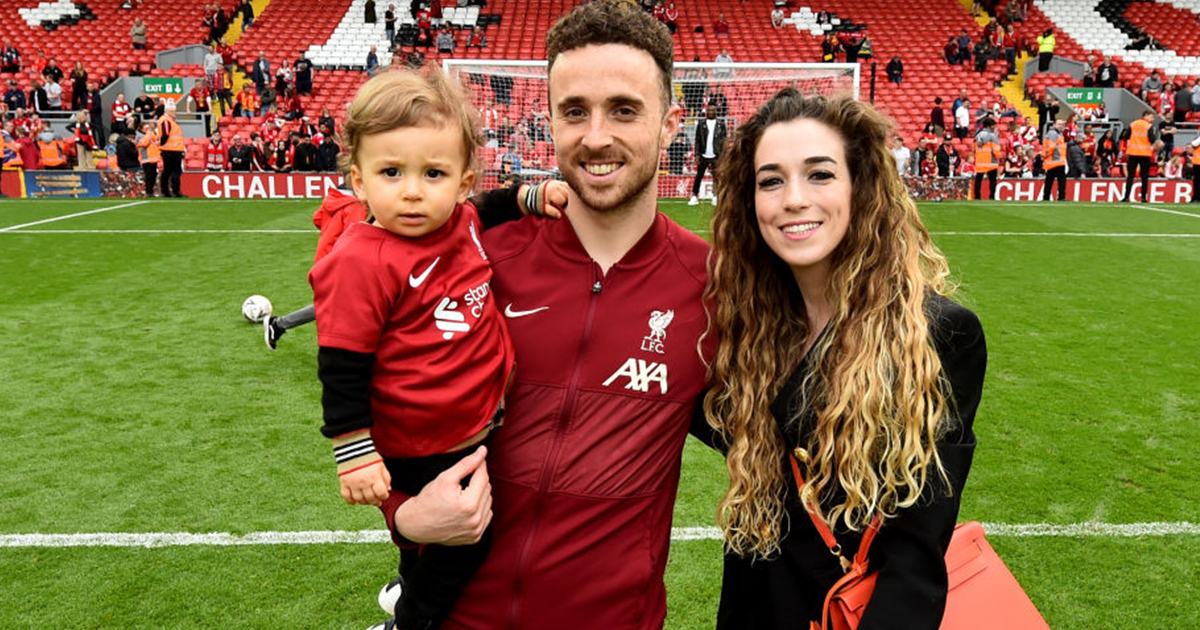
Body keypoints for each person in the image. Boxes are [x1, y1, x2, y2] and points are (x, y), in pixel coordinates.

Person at [375, 3, 711, 630]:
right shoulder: (473, 258)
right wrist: (404, 514)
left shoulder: (716, 287)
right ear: (550, 119)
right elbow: (393, 406)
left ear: (671, 124)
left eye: (624, 110)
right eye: (575, 111)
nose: (596, 137)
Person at [696, 87, 986, 630]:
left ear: (861, 186)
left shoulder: (939, 335)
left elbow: (915, 557)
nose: (793, 199)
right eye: (770, 181)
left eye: (820, 174)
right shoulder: (741, 330)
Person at [689, 104, 727, 206]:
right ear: (706, 111)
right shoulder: (701, 124)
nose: (710, 112)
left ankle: (715, 196)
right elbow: (697, 140)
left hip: (716, 155)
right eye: (709, 110)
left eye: (712, 110)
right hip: (703, 154)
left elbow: (724, 141)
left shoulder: (721, 124)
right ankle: (694, 196)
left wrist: (723, 155)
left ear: (716, 112)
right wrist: (697, 154)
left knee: (716, 177)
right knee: (699, 176)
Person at [1121, 110, 1159, 203]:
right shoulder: (1148, 126)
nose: (1152, 119)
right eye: (1151, 117)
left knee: (1130, 176)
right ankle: (1143, 197)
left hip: (1133, 153)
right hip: (1144, 154)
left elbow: (1126, 136)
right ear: (1146, 116)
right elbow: (1152, 139)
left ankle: (1126, 197)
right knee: (1144, 177)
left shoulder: (1133, 124)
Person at [157, 101, 185, 197]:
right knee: (173, 171)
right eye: (173, 111)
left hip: (173, 149)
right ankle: (172, 191)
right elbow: (165, 134)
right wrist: (162, 144)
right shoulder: (166, 120)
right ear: (168, 111)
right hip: (171, 150)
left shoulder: (169, 120)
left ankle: (168, 191)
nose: (174, 113)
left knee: (169, 171)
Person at [973, 117, 1000, 199]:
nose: (995, 127)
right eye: (994, 125)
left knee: (978, 179)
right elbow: (996, 150)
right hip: (991, 161)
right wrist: (998, 157)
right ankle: (992, 196)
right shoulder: (993, 136)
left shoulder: (978, 135)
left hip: (980, 161)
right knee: (992, 180)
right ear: (990, 126)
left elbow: (974, 148)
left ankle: (977, 196)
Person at [1042, 118, 1067, 201]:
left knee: (1050, 179)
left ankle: (1046, 197)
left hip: (1057, 160)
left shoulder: (1058, 133)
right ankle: (1061, 196)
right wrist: (1045, 156)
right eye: (1059, 124)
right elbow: (1051, 147)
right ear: (1054, 124)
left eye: (1061, 124)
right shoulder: (1053, 133)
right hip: (1055, 160)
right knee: (1058, 179)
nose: (1060, 126)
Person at [137, 121, 160, 197]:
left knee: (153, 175)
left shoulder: (150, 135)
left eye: (148, 128)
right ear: (141, 129)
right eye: (146, 128)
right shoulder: (140, 136)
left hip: (153, 158)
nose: (148, 130)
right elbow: (144, 143)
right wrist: (149, 134)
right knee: (149, 176)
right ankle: (148, 191)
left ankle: (151, 191)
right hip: (146, 158)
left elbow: (157, 140)